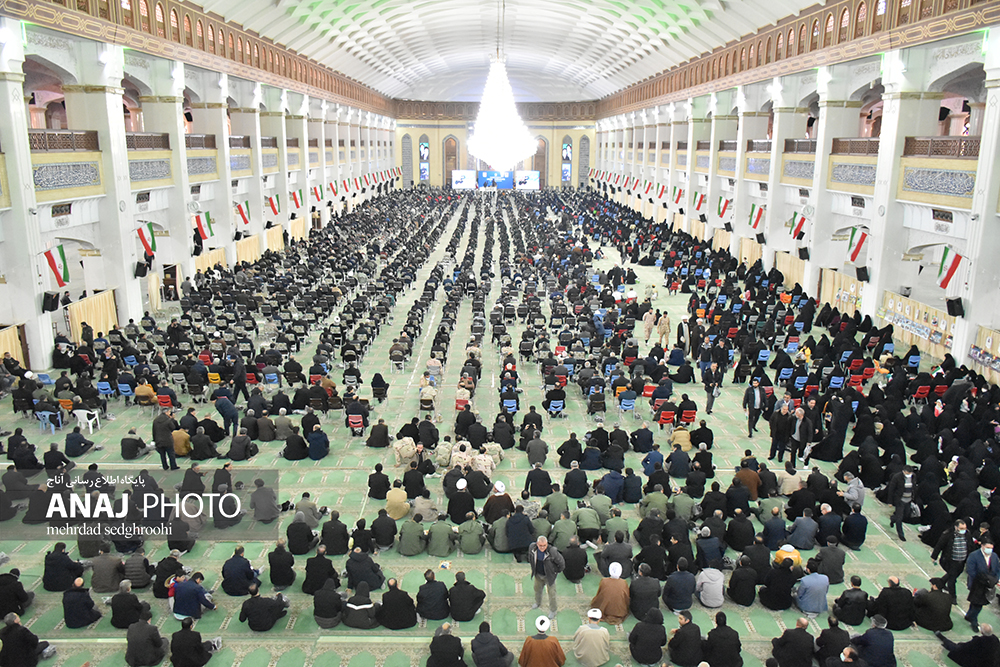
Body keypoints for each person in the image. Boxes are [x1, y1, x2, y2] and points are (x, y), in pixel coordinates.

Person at [964, 538, 999, 632]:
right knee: (977, 604)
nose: (990, 550)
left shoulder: (994, 556)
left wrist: (995, 580)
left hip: (989, 585)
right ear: (982, 546)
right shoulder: (974, 556)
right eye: (988, 547)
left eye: (991, 548)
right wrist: (984, 580)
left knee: (977, 603)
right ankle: (973, 620)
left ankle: (969, 616)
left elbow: (997, 570)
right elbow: (970, 571)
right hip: (977, 585)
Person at [527, 536, 564, 619]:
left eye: (544, 545)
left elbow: (561, 563)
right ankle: (537, 602)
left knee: (552, 594)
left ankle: (553, 610)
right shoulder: (532, 548)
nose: (542, 547)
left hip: (549, 576)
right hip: (538, 574)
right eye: (540, 545)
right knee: (537, 590)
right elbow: (530, 558)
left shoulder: (552, 551)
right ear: (537, 544)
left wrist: (555, 572)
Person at [934, 622, 1000, 667]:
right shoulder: (995, 639)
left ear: (982, 632)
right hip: (990, 662)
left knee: (955, 647)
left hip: (979, 662)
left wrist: (960, 645)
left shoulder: (978, 641)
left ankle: (941, 637)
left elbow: (965, 648)